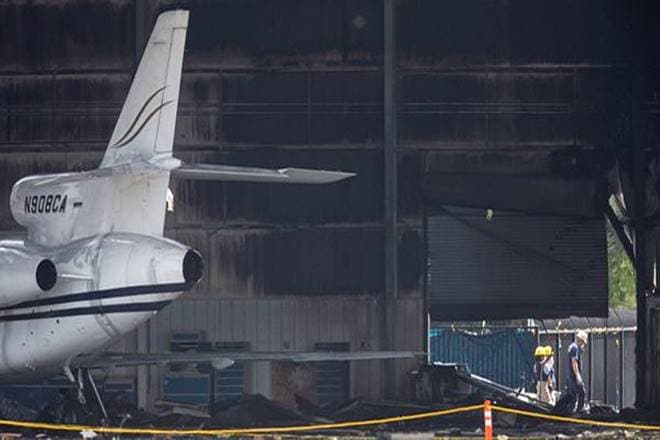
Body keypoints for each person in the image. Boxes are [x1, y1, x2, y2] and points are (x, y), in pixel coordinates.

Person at [555, 330, 588, 413]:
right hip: (573, 376)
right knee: (581, 392)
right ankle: (578, 410)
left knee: (572, 395)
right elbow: (574, 362)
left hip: (570, 376)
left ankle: (570, 411)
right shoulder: (575, 348)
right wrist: (577, 376)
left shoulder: (572, 346)